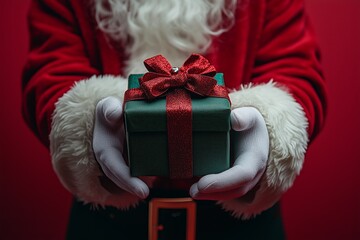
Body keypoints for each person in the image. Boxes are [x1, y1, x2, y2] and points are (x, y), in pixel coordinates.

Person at [22, 0, 327, 239]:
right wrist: (86, 125)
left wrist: (271, 129)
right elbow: (52, 66)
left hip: (241, 227)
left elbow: (295, 66)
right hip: (108, 224)